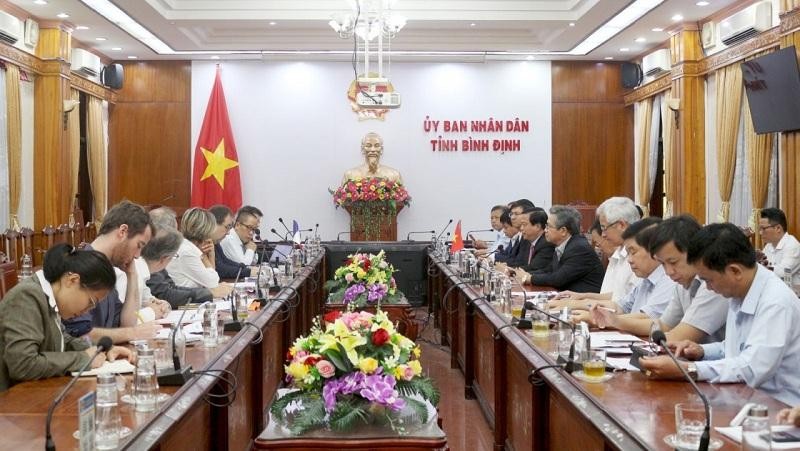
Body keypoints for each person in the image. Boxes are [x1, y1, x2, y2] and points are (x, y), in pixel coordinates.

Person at [640, 223, 800, 406]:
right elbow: (738, 348)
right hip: (744, 399)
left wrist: (689, 369)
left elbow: (751, 369)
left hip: (781, 411)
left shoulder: (776, 302)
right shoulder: (740, 290)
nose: (708, 287)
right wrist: (701, 352)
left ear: (734, 271)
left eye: (708, 280)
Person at [0, 244, 134, 392]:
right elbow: (23, 364)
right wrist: (83, 358)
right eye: (90, 302)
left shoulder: (49, 296)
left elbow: (64, 340)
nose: (86, 311)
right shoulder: (27, 296)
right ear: (72, 280)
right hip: (11, 403)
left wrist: (100, 351)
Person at [591, 215, 728, 343]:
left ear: (695, 252)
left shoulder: (713, 284)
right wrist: (613, 320)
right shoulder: (682, 283)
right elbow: (664, 325)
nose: (668, 272)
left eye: (673, 262)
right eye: (663, 264)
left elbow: (681, 335)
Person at [62, 201, 162, 344]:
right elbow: (79, 334)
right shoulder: (78, 269)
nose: (138, 255)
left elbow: (125, 325)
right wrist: (133, 333)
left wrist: (132, 275)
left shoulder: (105, 270)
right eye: (139, 246)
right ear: (122, 232)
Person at [551, 197, 640, 309]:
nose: (603, 234)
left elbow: (626, 305)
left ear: (621, 225)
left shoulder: (639, 257)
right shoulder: (618, 253)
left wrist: (575, 304)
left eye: (604, 228)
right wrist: (582, 296)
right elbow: (616, 296)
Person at [145, 207, 229, 307]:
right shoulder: (185, 250)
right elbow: (212, 282)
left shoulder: (185, 248)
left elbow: (170, 286)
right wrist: (209, 293)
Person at [527, 205, 605, 292]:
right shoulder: (562, 245)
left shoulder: (579, 248)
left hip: (588, 302)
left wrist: (530, 278)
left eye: (549, 226)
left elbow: (558, 279)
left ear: (563, 231)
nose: (545, 230)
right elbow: (549, 270)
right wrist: (525, 274)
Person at [167, 208, 221, 289]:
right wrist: (205, 257)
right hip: (186, 300)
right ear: (207, 230)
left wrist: (210, 255)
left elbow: (210, 276)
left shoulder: (186, 246)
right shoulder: (187, 251)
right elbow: (213, 282)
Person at [210, 204, 257, 279]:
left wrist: (247, 268)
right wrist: (248, 271)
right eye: (227, 227)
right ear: (213, 224)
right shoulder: (203, 243)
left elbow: (225, 261)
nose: (228, 232)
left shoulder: (215, 242)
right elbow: (220, 269)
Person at [507, 209, 555, 281]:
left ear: (537, 227)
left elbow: (535, 267)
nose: (521, 228)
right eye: (521, 225)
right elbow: (521, 262)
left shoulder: (546, 244)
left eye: (524, 224)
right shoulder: (527, 241)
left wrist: (513, 271)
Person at [759, 207, 800, 285]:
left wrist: (760, 268)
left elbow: (782, 273)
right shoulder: (769, 245)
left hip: (792, 294)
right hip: (774, 290)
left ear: (778, 228)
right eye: (760, 229)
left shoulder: (792, 246)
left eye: (763, 228)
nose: (760, 233)